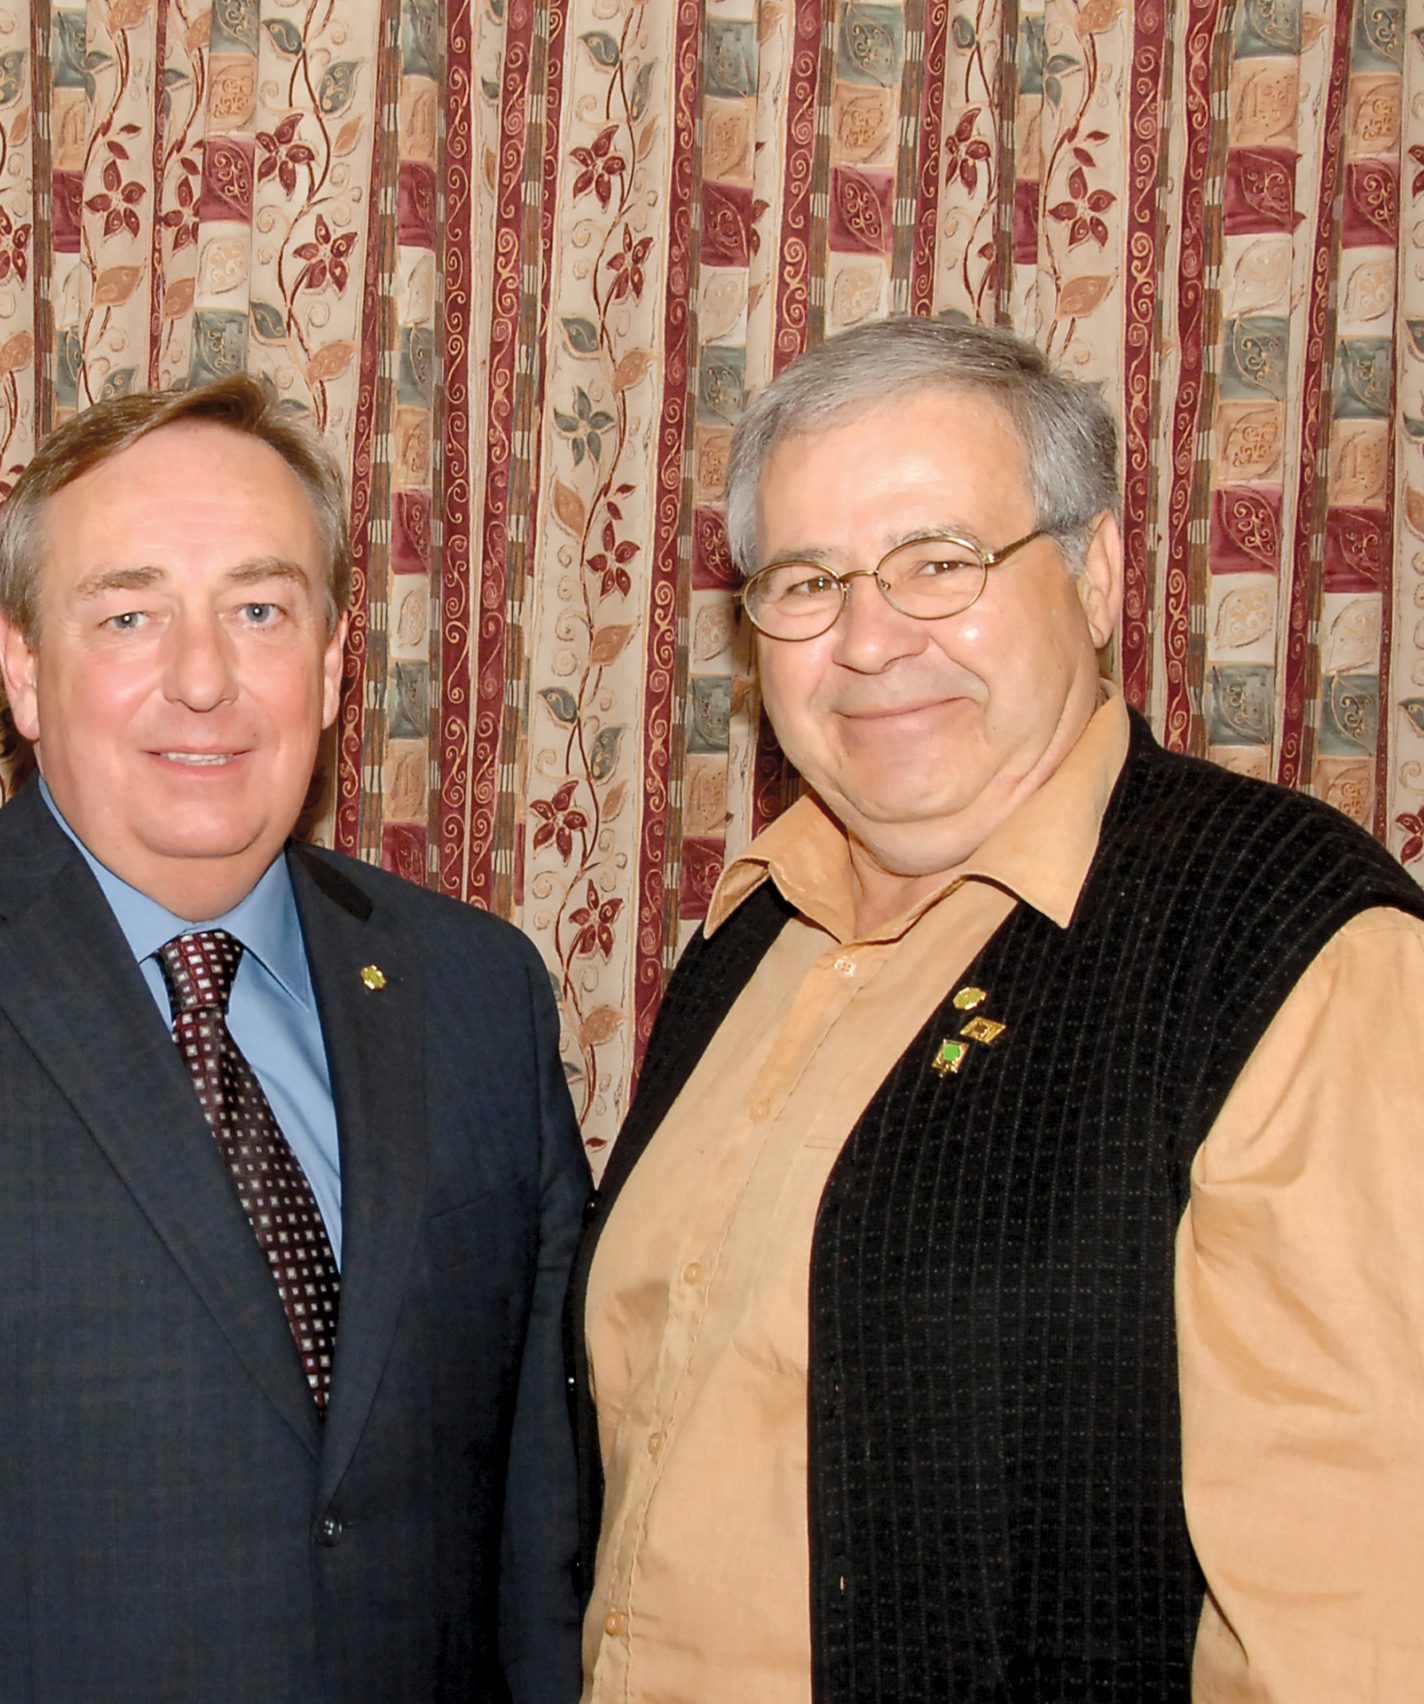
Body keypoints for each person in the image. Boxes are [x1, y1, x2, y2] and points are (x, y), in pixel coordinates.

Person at [0, 375, 586, 1702]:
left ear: (332, 661)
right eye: (130, 615)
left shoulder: (479, 995)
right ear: (24, 668)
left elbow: (544, 1541)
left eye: (260, 610)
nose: (204, 680)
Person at [575, 315, 1424, 1700]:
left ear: (1092, 575)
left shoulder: (1284, 948)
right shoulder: (750, 938)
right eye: (806, 582)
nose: (868, 640)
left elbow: (1356, 1628)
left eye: (940, 564)